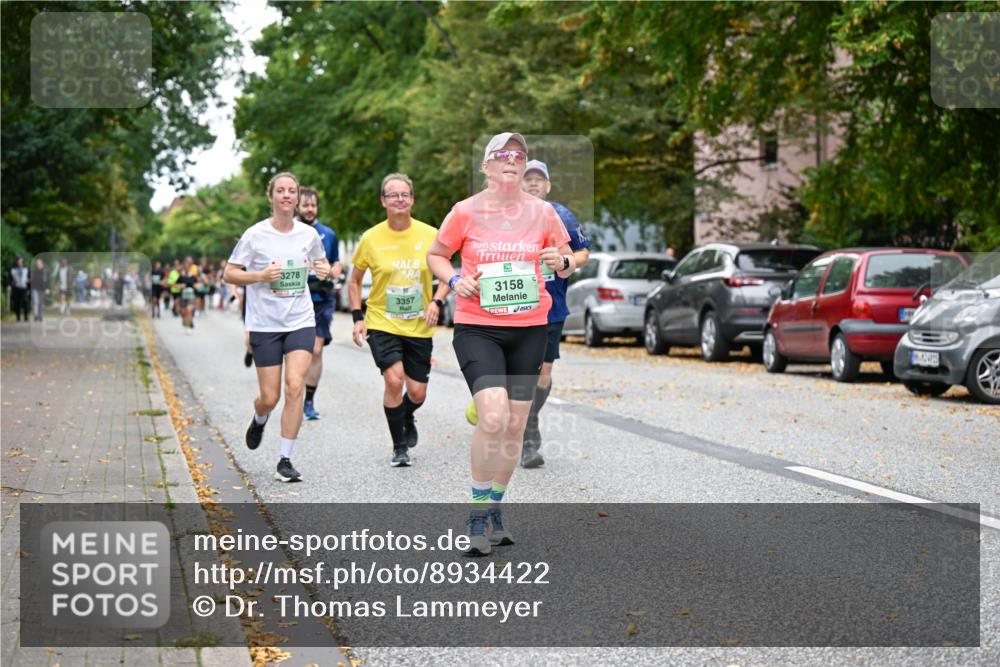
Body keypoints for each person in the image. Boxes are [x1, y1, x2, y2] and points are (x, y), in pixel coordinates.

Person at [426, 132, 576, 555]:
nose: (513, 159)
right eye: (503, 154)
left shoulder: (544, 212)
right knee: (492, 417)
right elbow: (436, 255)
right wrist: (455, 279)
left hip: (530, 328)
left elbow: (566, 261)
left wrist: (560, 261)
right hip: (479, 327)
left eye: (519, 155)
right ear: (487, 166)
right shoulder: (465, 211)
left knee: (513, 425)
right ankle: (476, 514)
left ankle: (494, 507)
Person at [224, 172, 330, 483]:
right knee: (270, 397)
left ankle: (285, 459)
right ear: (271, 197)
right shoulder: (255, 235)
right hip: (265, 323)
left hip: (300, 320)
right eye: (280, 190)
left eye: (291, 191)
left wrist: (323, 270)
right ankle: (260, 417)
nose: (286, 195)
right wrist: (259, 276)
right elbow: (230, 274)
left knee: (295, 387)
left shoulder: (308, 235)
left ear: (297, 198)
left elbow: (321, 263)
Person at [350, 173, 450, 467]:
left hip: (419, 324)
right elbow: (354, 281)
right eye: (393, 195)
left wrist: (437, 301)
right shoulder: (371, 238)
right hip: (382, 321)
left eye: (404, 194)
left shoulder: (430, 234)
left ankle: (406, 415)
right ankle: (399, 447)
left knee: (417, 392)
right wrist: (357, 317)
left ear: (412, 199)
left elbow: (448, 274)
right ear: (383, 201)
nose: (399, 199)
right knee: (394, 381)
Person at [297, 187, 343, 421]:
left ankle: (309, 400)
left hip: (322, 298)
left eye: (313, 205)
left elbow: (337, 263)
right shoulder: (289, 232)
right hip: (295, 298)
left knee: (316, 350)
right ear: (297, 206)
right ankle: (294, 393)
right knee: (298, 352)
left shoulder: (328, 234)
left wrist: (333, 271)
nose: (309, 209)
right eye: (305, 205)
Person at [7, 256, 30, 321]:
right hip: (16, 288)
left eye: (21, 261)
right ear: (17, 261)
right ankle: (18, 316)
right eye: (19, 261)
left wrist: (29, 282)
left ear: (23, 261)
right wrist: (9, 285)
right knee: (17, 303)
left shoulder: (26, 269)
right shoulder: (12, 269)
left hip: (24, 288)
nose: (20, 262)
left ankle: (26, 316)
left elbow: (29, 277)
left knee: (25, 302)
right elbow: (9, 278)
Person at [30, 257, 48, 321]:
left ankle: (40, 315)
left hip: (42, 289)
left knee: (41, 303)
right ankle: (36, 315)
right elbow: (31, 279)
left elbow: (47, 281)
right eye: (37, 263)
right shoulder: (33, 271)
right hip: (34, 288)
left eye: (39, 263)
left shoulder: (45, 271)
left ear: (42, 264)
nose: (38, 265)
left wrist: (47, 288)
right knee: (35, 301)